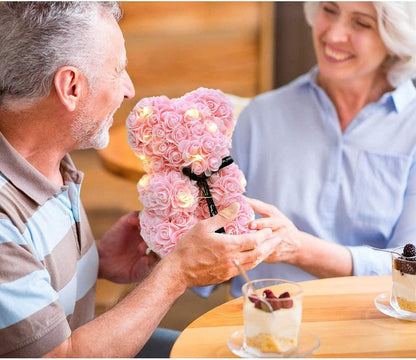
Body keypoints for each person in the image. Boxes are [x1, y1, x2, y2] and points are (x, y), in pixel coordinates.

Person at [0, 2, 278, 357]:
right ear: (70, 86)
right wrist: (176, 274)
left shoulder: (49, 161)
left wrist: (95, 260)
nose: (129, 89)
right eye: (117, 71)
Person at [222, 1, 416, 297]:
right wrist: (156, 251)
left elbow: (410, 267)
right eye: (329, 9)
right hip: (263, 330)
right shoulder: (261, 116)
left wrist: (298, 248)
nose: (334, 35)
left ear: (395, 38)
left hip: (373, 330)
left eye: (361, 23)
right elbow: (217, 247)